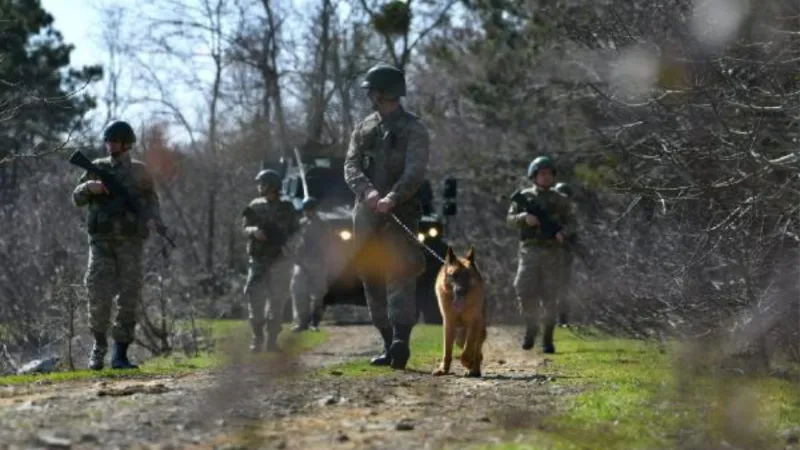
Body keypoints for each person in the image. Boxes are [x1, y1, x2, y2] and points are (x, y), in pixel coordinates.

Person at [343, 63, 430, 370]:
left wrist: (393, 197)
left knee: (400, 273)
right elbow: (350, 166)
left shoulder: (414, 128)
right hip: (366, 215)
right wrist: (367, 193)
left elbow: (415, 171)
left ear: (381, 93)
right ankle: (386, 342)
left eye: (372, 91)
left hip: (401, 212)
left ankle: (400, 341)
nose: (369, 96)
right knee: (371, 277)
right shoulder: (363, 127)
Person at [72, 120, 162, 370]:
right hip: (101, 244)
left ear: (126, 143)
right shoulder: (96, 168)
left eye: (114, 141)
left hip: (131, 244)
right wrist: (88, 187)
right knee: (98, 296)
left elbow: (152, 200)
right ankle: (99, 347)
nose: (109, 145)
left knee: (129, 299)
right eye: (108, 141)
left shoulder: (140, 171)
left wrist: (156, 220)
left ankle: (120, 354)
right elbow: (77, 198)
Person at [506, 156, 575, 354]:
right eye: (541, 174)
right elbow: (510, 219)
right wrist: (523, 218)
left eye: (549, 174)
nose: (545, 177)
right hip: (529, 250)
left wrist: (564, 232)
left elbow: (573, 222)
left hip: (553, 252)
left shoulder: (561, 200)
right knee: (523, 289)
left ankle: (547, 338)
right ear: (534, 176)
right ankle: (531, 325)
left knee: (550, 297)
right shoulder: (525, 197)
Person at [241, 169, 299, 352]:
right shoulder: (254, 205)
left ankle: (272, 340)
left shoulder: (287, 208)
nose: (259, 187)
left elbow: (296, 232)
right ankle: (257, 337)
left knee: (277, 301)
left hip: (280, 261)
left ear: (271, 186)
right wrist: (254, 232)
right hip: (258, 260)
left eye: (262, 183)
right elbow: (244, 228)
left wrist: (289, 247)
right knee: (255, 299)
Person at [289, 197, 330, 332]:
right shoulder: (301, 223)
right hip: (301, 262)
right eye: (305, 210)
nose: (307, 213)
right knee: (298, 291)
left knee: (318, 294)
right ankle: (302, 322)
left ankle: (315, 322)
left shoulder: (322, 224)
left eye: (309, 210)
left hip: (317, 262)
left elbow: (325, 244)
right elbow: (296, 241)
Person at [553, 181, 575, 327]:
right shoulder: (550, 211)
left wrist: (563, 233)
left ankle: (562, 319)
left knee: (563, 288)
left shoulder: (569, 215)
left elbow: (573, 229)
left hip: (564, 255)